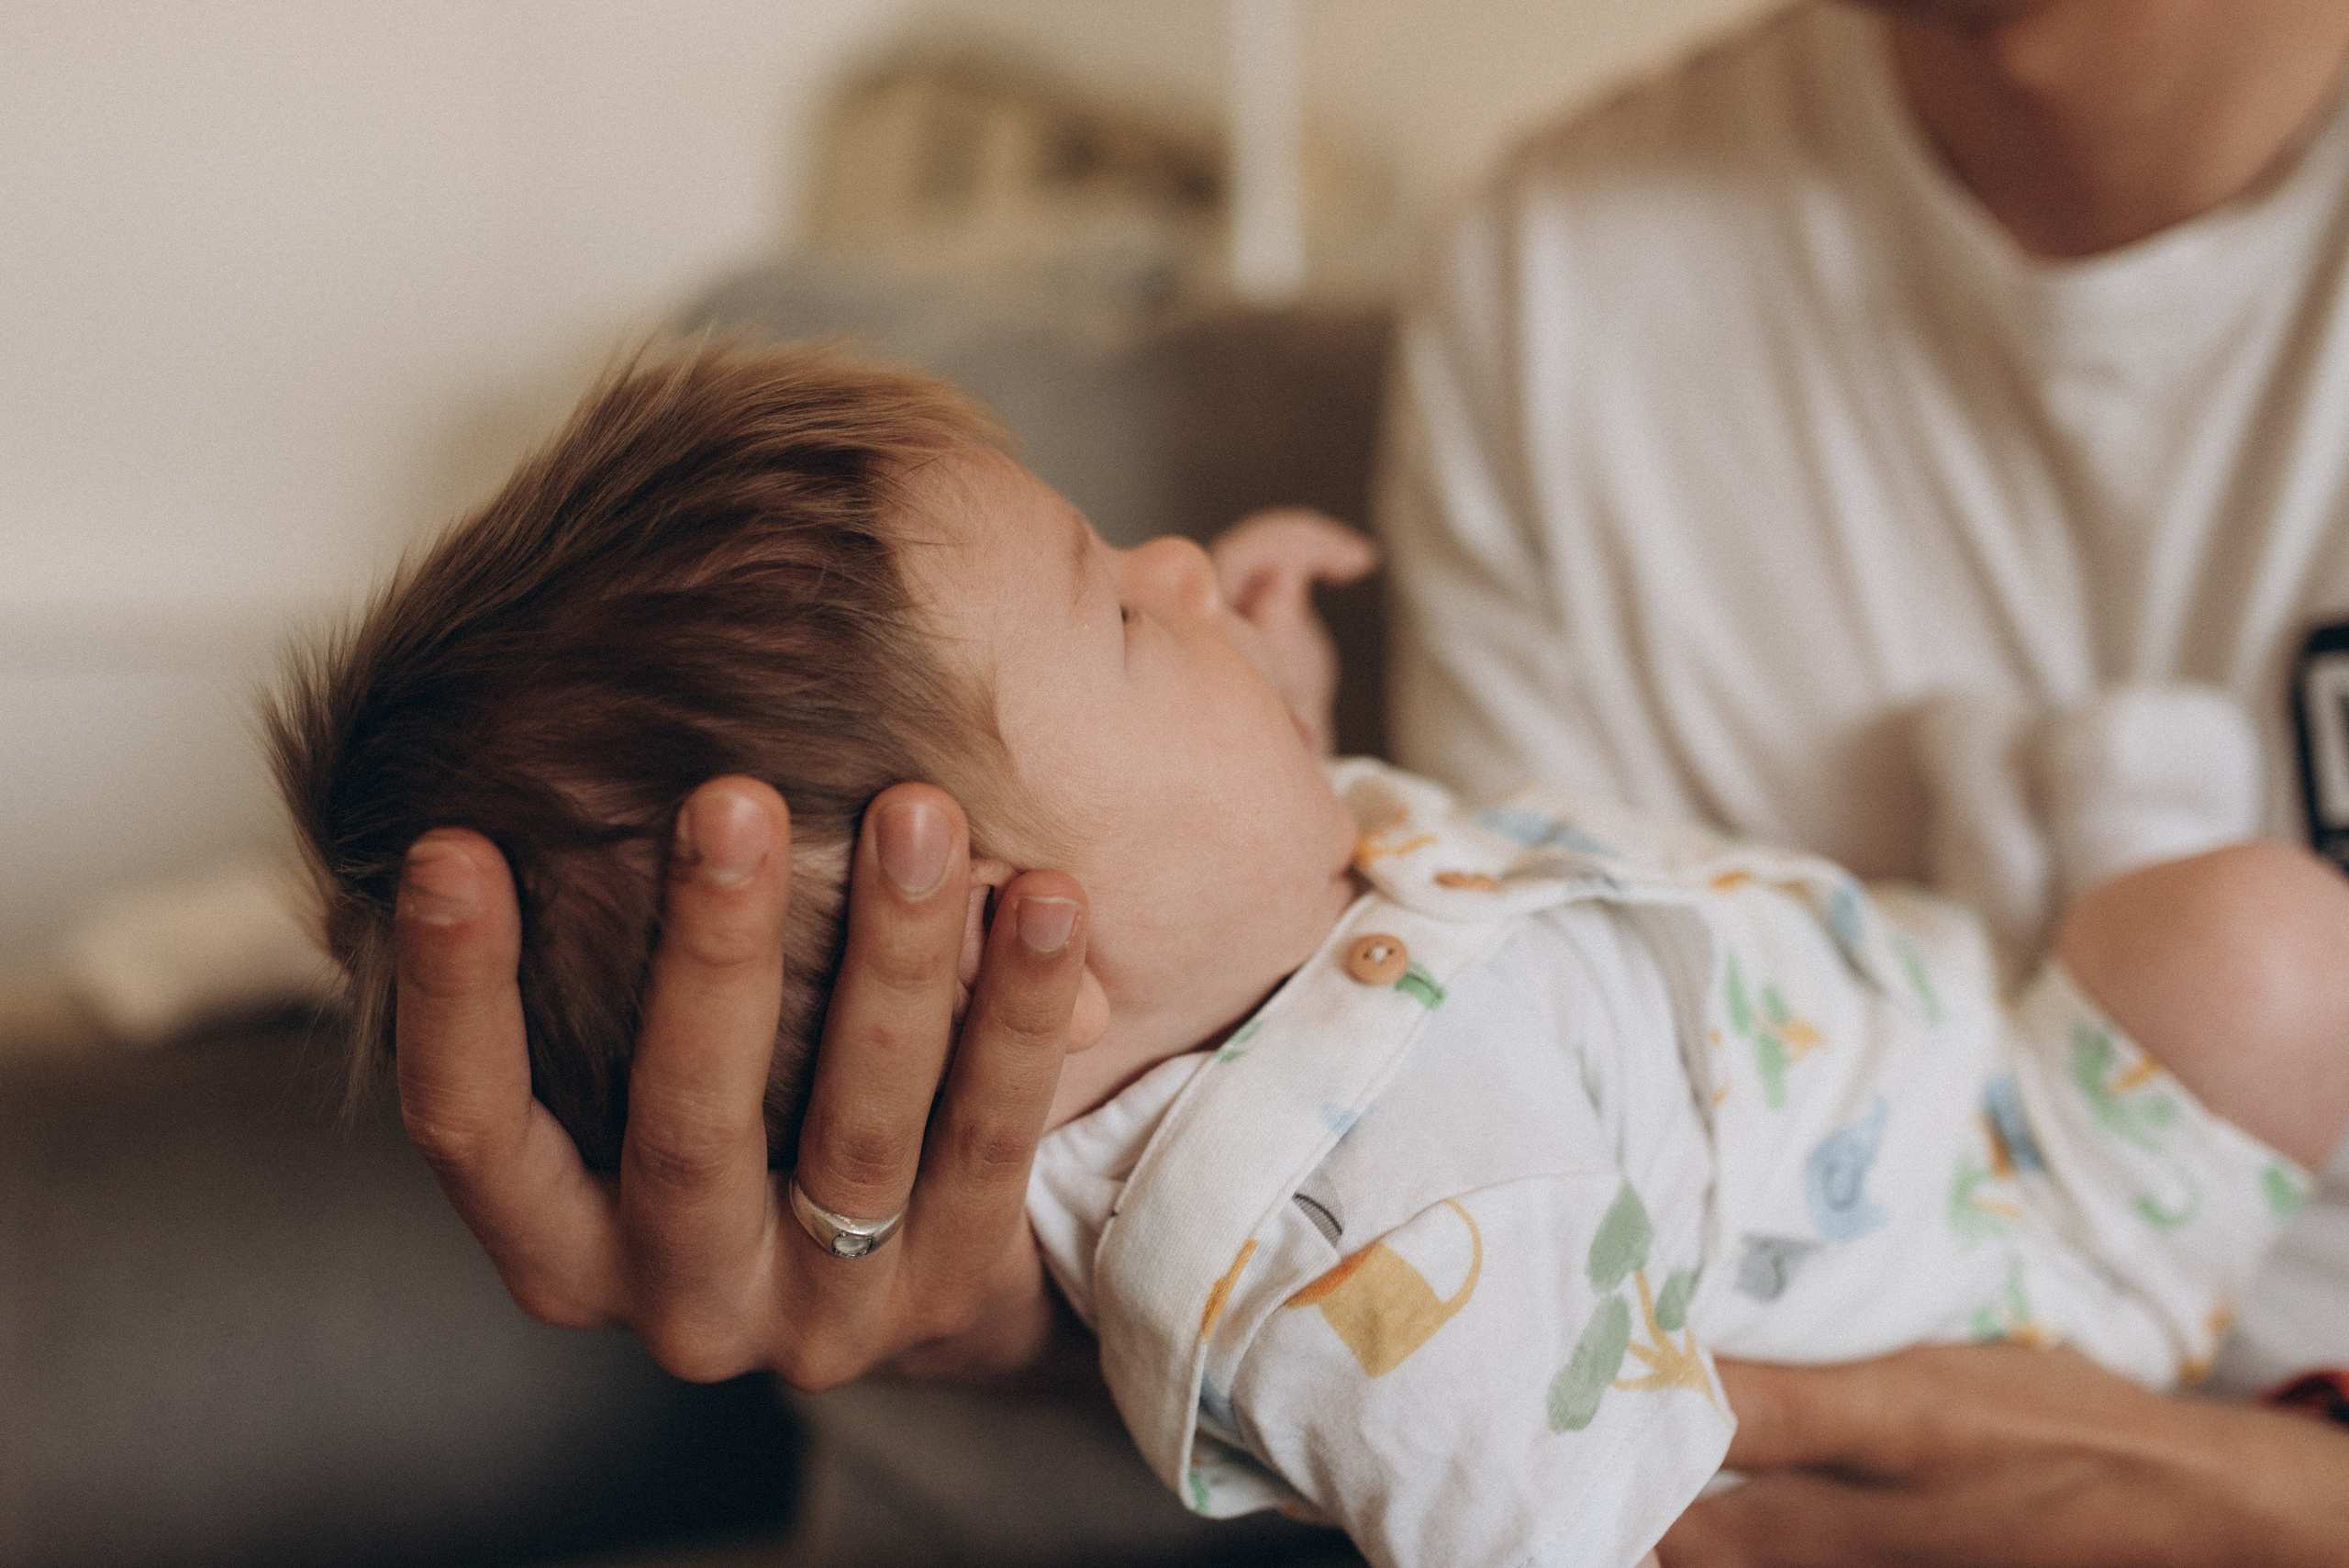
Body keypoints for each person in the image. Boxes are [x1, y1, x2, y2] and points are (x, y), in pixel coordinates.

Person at [378, 0, 2349, 1559]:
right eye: (1121, 615)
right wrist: (1017, 1327)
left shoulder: (1265, 954)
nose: (1169, 561)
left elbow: (1293, 913)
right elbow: (1517, 1383)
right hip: (2025, 1243)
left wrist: (1249, 693)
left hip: (1966, 1096)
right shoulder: (1342, 1211)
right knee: (2245, 947)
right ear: (999, 936)